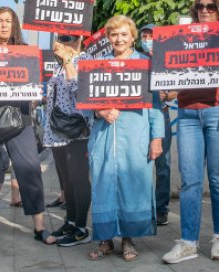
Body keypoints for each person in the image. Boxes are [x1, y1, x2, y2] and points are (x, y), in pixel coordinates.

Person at [162, 0, 219, 264]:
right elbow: (172, 79)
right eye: (200, 6)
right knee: (190, 179)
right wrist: (164, 86)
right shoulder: (183, 39)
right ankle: (188, 241)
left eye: (211, 6)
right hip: (188, 112)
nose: (204, 10)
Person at [88, 15, 164, 262]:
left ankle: (129, 239)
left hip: (136, 135)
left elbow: (156, 104)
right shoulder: (98, 65)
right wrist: (100, 111)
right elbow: (86, 102)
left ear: (133, 37)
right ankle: (105, 240)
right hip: (104, 136)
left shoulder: (146, 64)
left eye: (124, 34)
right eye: (114, 34)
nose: (119, 39)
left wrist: (156, 137)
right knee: (104, 184)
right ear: (108, 38)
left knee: (133, 185)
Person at [0, 7, 47, 246]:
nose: (4, 25)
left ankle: (40, 227)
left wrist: (37, 91)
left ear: (14, 25)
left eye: (8, 21)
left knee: (30, 168)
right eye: (0, 21)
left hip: (20, 119)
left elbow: (36, 86)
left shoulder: (25, 52)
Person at [42, 34, 93, 247]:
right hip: (57, 130)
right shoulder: (59, 65)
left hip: (76, 130)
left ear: (79, 39)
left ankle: (81, 228)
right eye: (59, 37)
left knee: (78, 178)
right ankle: (70, 222)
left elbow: (80, 92)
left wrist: (68, 62)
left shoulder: (85, 60)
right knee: (67, 180)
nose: (62, 42)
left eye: (67, 37)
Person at [139, 23, 176, 226]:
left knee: (163, 165)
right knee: (139, 164)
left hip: (161, 114)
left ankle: (161, 209)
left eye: (150, 36)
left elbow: (178, 87)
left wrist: (167, 95)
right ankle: (142, 208)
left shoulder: (168, 60)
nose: (147, 39)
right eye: (144, 36)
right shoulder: (137, 60)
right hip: (140, 116)